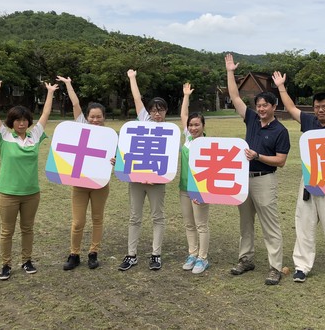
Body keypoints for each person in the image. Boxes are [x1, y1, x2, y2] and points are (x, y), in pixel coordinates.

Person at [272, 72, 325, 283]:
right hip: (309, 183)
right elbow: (290, 108)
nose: (320, 110)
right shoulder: (309, 122)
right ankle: (302, 266)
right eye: (317, 107)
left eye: (324, 106)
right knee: (304, 225)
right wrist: (281, 87)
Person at [225, 54, 291, 286]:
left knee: (270, 224)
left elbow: (281, 161)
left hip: (265, 179)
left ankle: (275, 267)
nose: (261, 108)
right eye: (259, 105)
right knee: (245, 223)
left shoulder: (280, 131)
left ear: (274, 107)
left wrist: (258, 156)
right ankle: (246, 259)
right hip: (244, 179)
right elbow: (234, 96)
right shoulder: (251, 119)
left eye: (265, 105)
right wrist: (230, 71)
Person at [0, 77, 58, 280]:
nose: (22, 123)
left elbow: (46, 113)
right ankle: (6, 265)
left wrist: (50, 92)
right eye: (18, 120)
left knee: (28, 229)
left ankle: (27, 261)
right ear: (12, 122)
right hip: (8, 193)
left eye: (25, 120)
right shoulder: (4, 136)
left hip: (31, 193)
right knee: (7, 231)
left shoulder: (35, 136)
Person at [56, 76, 111, 271]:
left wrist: (115, 161)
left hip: (99, 185)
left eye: (99, 117)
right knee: (78, 221)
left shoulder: (111, 136)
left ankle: (93, 253)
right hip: (79, 184)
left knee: (97, 219)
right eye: (92, 116)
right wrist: (69, 84)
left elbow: (118, 159)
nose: (95, 120)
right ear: (86, 117)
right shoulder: (81, 127)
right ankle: (74, 254)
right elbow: (75, 103)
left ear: (104, 117)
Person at [119, 69, 169, 272]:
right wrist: (132, 78)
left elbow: (168, 160)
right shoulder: (143, 122)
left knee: (158, 217)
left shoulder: (169, 131)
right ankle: (131, 255)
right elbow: (136, 97)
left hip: (157, 181)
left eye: (160, 110)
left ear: (166, 111)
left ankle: (156, 254)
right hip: (137, 179)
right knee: (134, 216)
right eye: (153, 110)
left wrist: (155, 176)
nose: (156, 113)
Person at [179, 82, 210, 274]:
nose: (193, 127)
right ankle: (192, 253)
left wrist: (204, 192)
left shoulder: (207, 143)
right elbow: (183, 115)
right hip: (183, 188)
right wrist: (186, 96)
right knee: (189, 223)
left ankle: (203, 258)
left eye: (196, 124)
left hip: (200, 189)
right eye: (191, 125)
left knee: (201, 224)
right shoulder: (188, 138)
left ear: (203, 125)